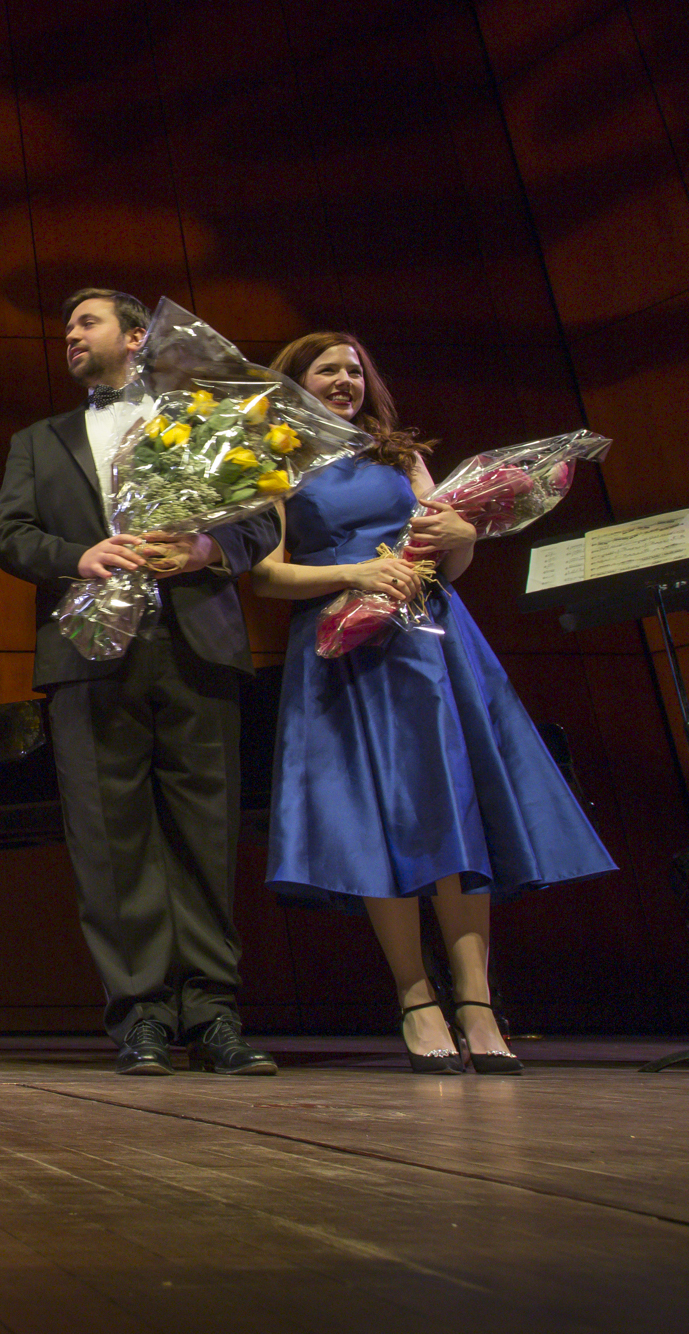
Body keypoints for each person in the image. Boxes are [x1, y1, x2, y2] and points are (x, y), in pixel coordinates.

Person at [251, 332, 615, 1073]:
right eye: (328, 370)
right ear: (295, 384)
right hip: (341, 653)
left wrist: (462, 534)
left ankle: (477, 1001)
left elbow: (450, 556)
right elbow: (264, 576)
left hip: (434, 645)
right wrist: (356, 574)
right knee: (381, 820)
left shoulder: (400, 456)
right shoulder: (274, 462)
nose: (346, 380)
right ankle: (416, 999)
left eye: (356, 369)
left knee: (457, 812)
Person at [0, 288, 282, 1076]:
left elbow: (261, 523)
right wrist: (78, 557)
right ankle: (141, 1019)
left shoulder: (204, 423)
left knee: (205, 836)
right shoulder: (37, 441)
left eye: (85, 322)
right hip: (86, 653)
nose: (70, 336)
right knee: (110, 846)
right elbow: (10, 538)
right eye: (67, 327)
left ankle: (214, 1015)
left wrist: (205, 552)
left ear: (138, 334)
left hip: (196, 644)